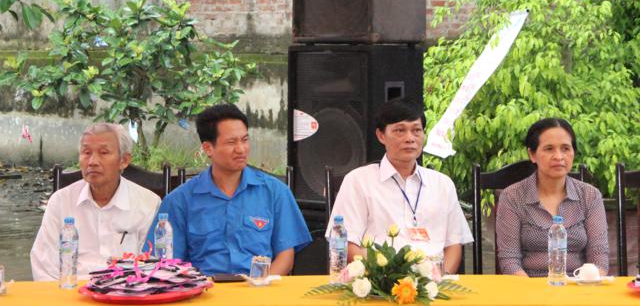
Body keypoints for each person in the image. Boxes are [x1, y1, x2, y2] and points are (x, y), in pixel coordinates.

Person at [146, 104, 311, 276]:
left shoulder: (275, 192)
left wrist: (261, 285)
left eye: (245, 140)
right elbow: (166, 263)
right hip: (204, 288)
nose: (241, 149)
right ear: (208, 148)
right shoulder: (179, 201)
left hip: (259, 287)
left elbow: (286, 257)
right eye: (231, 142)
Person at [326, 98, 473, 274]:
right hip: (379, 281)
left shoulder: (443, 184)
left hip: (434, 284)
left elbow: (454, 244)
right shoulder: (358, 181)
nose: (410, 138)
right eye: (400, 130)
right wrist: (384, 279)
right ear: (381, 135)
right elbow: (347, 243)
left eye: (416, 130)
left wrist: (440, 279)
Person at [30, 123, 161, 281]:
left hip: (126, 291)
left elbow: (152, 267)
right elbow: (44, 268)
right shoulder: (60, 201)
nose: (92, 161)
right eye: (86, 153)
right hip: (71, 291)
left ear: (124, 160)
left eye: (103, 153)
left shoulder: (148, 203)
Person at [496, 118, 609, 277]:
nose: (558, 156)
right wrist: (532, 290)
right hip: (528, 285)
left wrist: (588, 284)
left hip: (579, 285)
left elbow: (599, 257)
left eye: (565, 148)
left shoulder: (590, 196)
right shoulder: (512, 197)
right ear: (532, 154)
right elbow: (509, 260)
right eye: (549, 149)